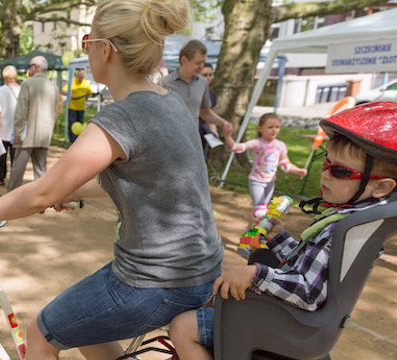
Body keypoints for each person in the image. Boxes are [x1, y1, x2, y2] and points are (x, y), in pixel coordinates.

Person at [0, 1, 222, 359]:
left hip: (155, 280)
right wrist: (74, 193)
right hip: (202, 269)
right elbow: (143, 177)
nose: (87, 49)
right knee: (84, 326)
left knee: (41, 331)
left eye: (88, 41)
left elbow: (42, 193)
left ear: (105, 49)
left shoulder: (122, 118)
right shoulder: (171, 102)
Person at [169, 102, 397, 360]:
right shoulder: (356, 219)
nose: (325, 175)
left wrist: (257, 274)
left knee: (182, 327)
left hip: (294, 326)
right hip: (303, 325)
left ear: (381, 187)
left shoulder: (340, 228)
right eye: (326, 163)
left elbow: (309, 291)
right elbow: (310, 265)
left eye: (340, 171)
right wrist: (279, 238)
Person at [222, 113, 308, 220]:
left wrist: (298, 170)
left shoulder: (280, 145)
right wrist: (227, 136)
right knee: (260, 210)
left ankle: (252, 233)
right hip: (256, 181)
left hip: (270, 182)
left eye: (277, 127)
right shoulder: (256, 143)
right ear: (260, 129)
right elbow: (236, 147)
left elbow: (286, 165)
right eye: (270, 127)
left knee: (260, 211)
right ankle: (255, 234)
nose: (274, 130)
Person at [159, 40, 232, 137]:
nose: (202, 67)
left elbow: (204, 112)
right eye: (198, 63)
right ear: (184, 60)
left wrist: (224, 123)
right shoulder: (165, 84)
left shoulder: (203, 82)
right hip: (169, 138)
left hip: (193, 139)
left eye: (203, 62)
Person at [7, 55, 58, 192]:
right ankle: (40, 201)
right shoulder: (53, 86)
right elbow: (55, 112)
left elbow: (21, 111)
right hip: (44, 134)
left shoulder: (27, 84)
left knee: (18, 168)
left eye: (30, 66)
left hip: (26, 134)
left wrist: (17, 132)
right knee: (41, 169)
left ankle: (10, 198)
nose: (29, 69)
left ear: (35, 67)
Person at [0, 65, 20, 186]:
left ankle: (0, 177)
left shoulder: (1, 90)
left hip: (3, 128)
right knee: (16, 157)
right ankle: (14, 181)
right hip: (18, 129)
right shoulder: (23, 89)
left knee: (2, 155)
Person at [62, 68, 92, 142]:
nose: (81, 79)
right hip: (72, 107)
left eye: (82, 77)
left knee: (80, 124)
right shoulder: (71, 82)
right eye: (80, 77)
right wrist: (69, 94)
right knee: (72, 124)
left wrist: (90, 95)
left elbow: (90, 93)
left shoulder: (85, 83)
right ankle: (72, 141)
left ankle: (78, 140)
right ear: (77, 75)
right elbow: (63, 91)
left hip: (81, 108)